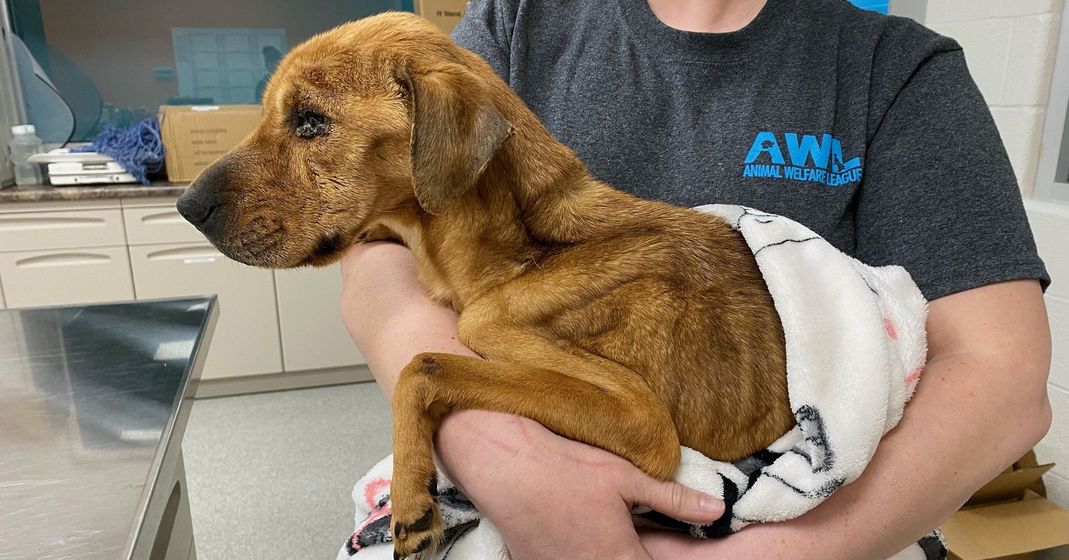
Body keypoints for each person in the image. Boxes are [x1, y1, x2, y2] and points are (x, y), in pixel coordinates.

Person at [340, 0, 1054, 558]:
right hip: (533, 451)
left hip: (792, 499)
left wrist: (766, 556)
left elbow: (1002, 375)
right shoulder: (514, 24)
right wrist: (508, 462)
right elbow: (381, 253)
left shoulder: (894, 69)